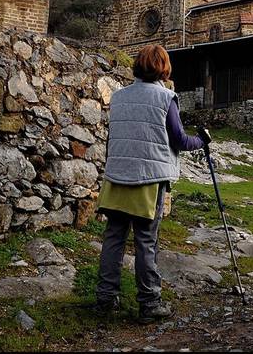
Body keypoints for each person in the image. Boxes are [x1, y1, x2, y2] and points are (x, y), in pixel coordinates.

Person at [94, 44, 207, 324]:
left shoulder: (118, 97)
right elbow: (179, 140)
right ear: (163, 68)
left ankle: (106, 298)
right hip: (148, 178)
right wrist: (202, 141)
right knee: (145, 241)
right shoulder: (165, 97)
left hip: (117, 175)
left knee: (113, 238)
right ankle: (149, 303)